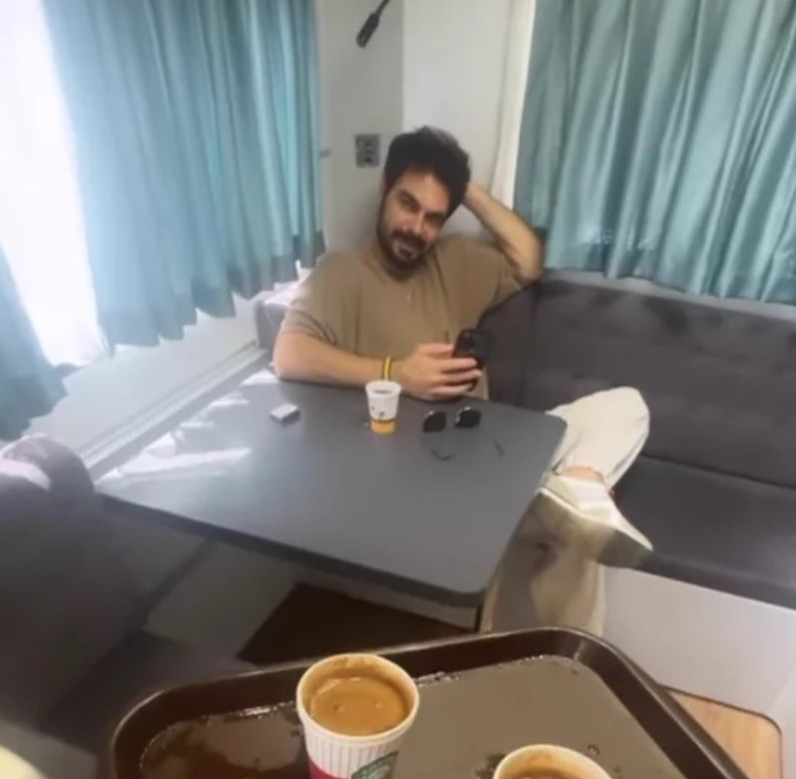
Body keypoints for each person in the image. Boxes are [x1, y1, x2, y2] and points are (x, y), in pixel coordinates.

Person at [273, 128, 651, 631]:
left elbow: (528, 259)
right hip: (428, 483)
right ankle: (545, 635)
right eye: (408, 204)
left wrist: (461, 184)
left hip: (497, 458)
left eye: (434, 217)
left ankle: (576, 489)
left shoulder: (452, 261)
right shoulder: (341, 273)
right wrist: (396, 373)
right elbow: (289, 354)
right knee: (574, 546)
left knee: (626, 407)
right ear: (384, 189)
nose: (417, 228)